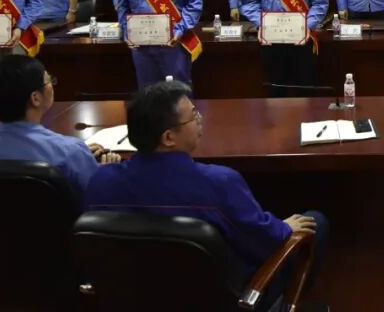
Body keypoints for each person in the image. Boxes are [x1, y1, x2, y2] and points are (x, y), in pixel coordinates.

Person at [84, 81, 327, 311]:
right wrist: (284, 228)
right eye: (194, 115)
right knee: (316, 222)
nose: (200, 119)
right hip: (224, 299)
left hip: (136, 297)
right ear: (168, 138)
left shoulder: (101, 181)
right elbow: (263, 240)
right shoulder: (219, 183)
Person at [0, 56, 120, 191]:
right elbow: (97, 199)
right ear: (35, 98)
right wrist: (105, 172)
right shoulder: (69, 151)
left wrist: (81, 156)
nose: (52, 85)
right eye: (49, 81)